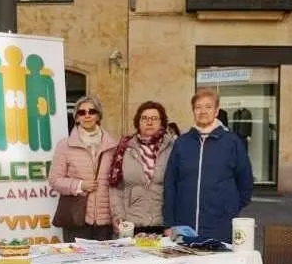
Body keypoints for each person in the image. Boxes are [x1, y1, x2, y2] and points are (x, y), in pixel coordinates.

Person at [163, 88, 254, 242]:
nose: (203, 111)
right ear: (193, 111)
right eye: (198, 107)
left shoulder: (232, 142)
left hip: (220, 227)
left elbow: (245, 182)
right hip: (185, 227)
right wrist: (169, 222)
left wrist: (230, 208)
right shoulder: (182, 143)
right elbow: (170, 183)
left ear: (217, 111)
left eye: (208, 106)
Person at [49, 95, 119, 242]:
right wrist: (80, 185)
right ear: (77, 118)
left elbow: (118, 183)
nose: (87, 115)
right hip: (77, 219)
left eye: (92, 111)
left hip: (105, 221)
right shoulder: (65, 145)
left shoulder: (113, 146)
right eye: (82, 112)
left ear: (98, 116)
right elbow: (54, 180)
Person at [108, 101, 175, 235]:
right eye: (144, 118)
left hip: (164, 224)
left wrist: (176, 221)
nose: (149, 122)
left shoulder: (173, 148)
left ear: (162, 122)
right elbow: (116, 187)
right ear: (138, 121)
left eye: (154, 118)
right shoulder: (124, 149)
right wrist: (118, 215)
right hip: (132, 223)